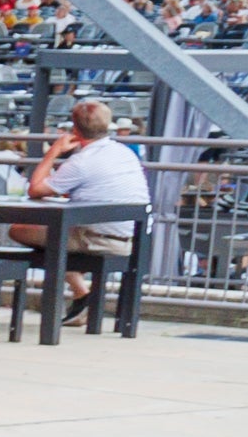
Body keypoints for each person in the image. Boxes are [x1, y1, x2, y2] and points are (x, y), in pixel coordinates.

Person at [22, 97, 154, 313]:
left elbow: (35, 189)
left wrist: (54, 151)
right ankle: (81, 295)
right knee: (58, 241)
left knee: (21, 231)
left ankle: (82, 294)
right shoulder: (125, 153)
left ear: (75, 129)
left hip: (101, 238)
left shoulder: (81, 162)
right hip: (134, 237)